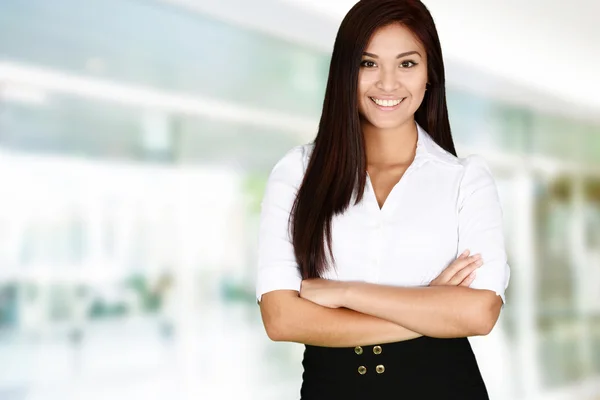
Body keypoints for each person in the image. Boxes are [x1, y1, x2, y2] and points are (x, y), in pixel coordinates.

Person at [255, 0, 510, 398]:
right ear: (344, 72)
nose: (387, 83)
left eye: (407, 64)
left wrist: (346, 293)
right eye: (368, 63)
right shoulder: (297, 173)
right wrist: (431, 308)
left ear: (430, 75)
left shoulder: (466, 180)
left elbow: (479, 313)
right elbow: (281, 318)